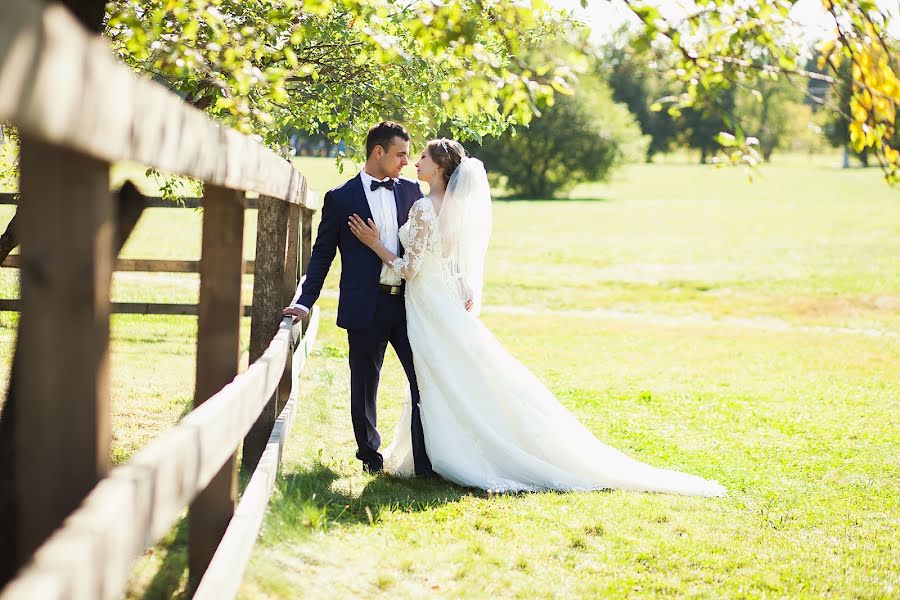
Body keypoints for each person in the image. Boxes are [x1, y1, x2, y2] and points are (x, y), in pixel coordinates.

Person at [346, 138, 725, 496]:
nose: (416, 163)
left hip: (428, 305)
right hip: (440, 301)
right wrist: (461, 290)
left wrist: (374, 243)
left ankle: (451, 454)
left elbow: (409, 269)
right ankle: (434, 452)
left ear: (441, 166)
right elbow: (453, 262)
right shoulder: (454, 208)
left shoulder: (424, 207)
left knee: (438, 378)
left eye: (423, 158)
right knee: (451, 377)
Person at [283, 122, 433, 477]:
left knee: (423, 380)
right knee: (364, 384)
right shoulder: (341, 197)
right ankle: (369, 456)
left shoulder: (414, 193)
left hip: (409, 305)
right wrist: (305, 301)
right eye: (400, 155)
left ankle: (425, 459)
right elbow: (322, 256)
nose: (406, 162)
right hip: (365, 304)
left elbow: (430, 248)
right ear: (377, 152)